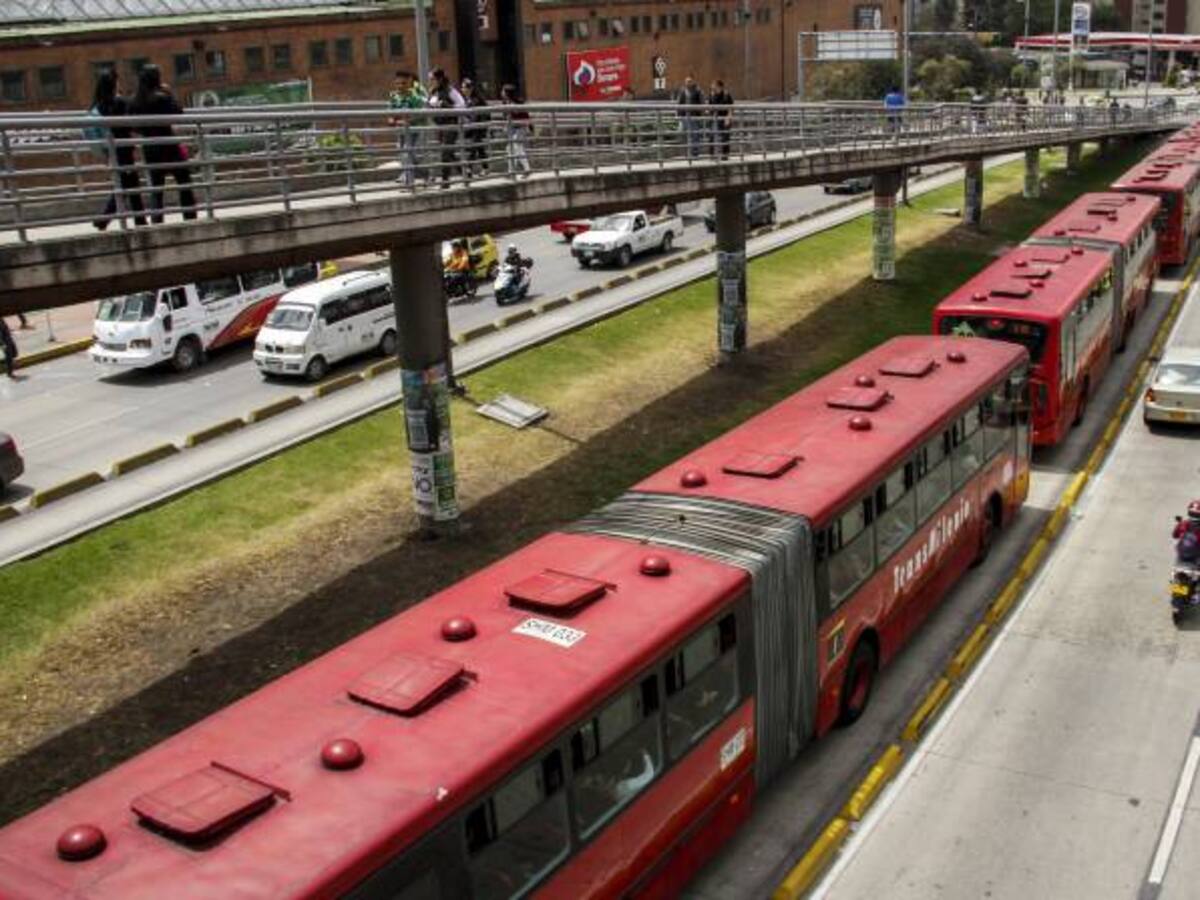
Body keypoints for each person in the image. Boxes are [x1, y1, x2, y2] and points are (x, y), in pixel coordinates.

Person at [131, 65, 196, 223]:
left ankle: (157, 220)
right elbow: (178, 112)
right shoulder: (161, 97)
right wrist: (169, 93)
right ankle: (190, 217)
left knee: (156, 189)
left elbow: (132, 125)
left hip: (150, 148)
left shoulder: (135, 101)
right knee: (184, 183)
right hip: (169, 146)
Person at [91, 69, 147, 231]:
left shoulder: (98, 106)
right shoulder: (120, 103)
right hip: (123, 148)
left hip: (111, 150)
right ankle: (105, 219)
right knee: (126, 184)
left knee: (129, 183)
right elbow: (131, 122)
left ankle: (139, 219)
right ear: (113, 84)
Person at [427, 68, 466, 188]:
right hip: (439, 125)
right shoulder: (433, 91)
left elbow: (462, 105)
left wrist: (447, 106)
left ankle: (445, 181)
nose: (431, 81)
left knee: (445, 152)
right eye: (430, 79)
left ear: (440, 79)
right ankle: (465, 172)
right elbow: (430, 104)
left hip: (450, 124)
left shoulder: (450, 90)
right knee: (448, 152)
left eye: (432, 79)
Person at [388, 70, 427, 187]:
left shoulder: (414, 97)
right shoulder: (394, 96)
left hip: (414, 130)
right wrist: (391, 119)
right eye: (398, 83)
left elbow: (421, 114)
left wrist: (408, 120)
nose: (400, 86)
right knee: (404, 154)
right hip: (401, 131)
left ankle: (409, 182)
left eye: (403, 83)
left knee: (407, 153)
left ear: (409, 83)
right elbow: (391, 111)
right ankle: (426, 174)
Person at [460, 77, 490, 177]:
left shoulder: (476, 99)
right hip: (473, 127)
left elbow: (477, 115)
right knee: (479, 147)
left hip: (479, 126)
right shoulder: (467, 99)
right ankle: (485, 168)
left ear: (470, 89)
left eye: (464, 87)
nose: (462, 89)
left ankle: (468, 168)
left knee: (473, 146)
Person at [500, 83, 531, 177]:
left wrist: (528, 127)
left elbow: (526, 116)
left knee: (517, 147)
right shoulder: (505, 103)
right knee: (510, 148)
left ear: (507, 93)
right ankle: (511, 172)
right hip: (512, 128)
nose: (501, 93)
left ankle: (526, 169)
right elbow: (506, 116)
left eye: (503, 91)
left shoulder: (518, 103)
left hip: (521, 128)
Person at [677, 75, 706, 159]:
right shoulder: (682, 91)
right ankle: (686, 152)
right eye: (686, 81)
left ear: (693, 81)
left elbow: (702, 102)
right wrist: (678, 114)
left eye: (689, 81)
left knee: (695, 135)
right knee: (681, 132)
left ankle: (695, 153)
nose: (688, 83)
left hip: (694, 116)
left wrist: (702, 112)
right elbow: (679, 102)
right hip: (684, 116)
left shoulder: (698, 90)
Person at [709, 79, 734, 159]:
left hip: (725, 118)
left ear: (719, 86)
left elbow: (731, 107)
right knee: (712, 136)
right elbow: (710, 107)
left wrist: (728, 117)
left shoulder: (726, 95)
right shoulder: (712, 95)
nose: (712, 86)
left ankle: (725, 155)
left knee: (725, 136)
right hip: (715, 118)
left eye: (714, 85)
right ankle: (712, 155)